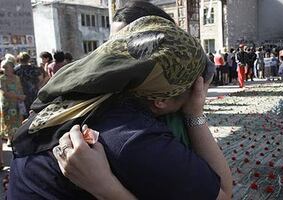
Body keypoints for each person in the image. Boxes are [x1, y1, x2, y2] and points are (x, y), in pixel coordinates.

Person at [8, 14, 231, 200]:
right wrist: (195, 113)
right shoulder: (135, 137)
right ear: (161, 100)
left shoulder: (78, 92)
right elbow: (222, 194)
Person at [0, 59, 25, 166]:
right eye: (3, 67)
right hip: (8, 105)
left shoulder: (17, 78)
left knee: (18, 121)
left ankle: (17, 139)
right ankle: (11, 140)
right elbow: (4, 93)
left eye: (6, 67)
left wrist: (22, 96)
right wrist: (18, 96)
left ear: (11, 67)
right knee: (9, 123)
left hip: (17, 103)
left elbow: (20, 89)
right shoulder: (2, 78)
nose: (5, 69)